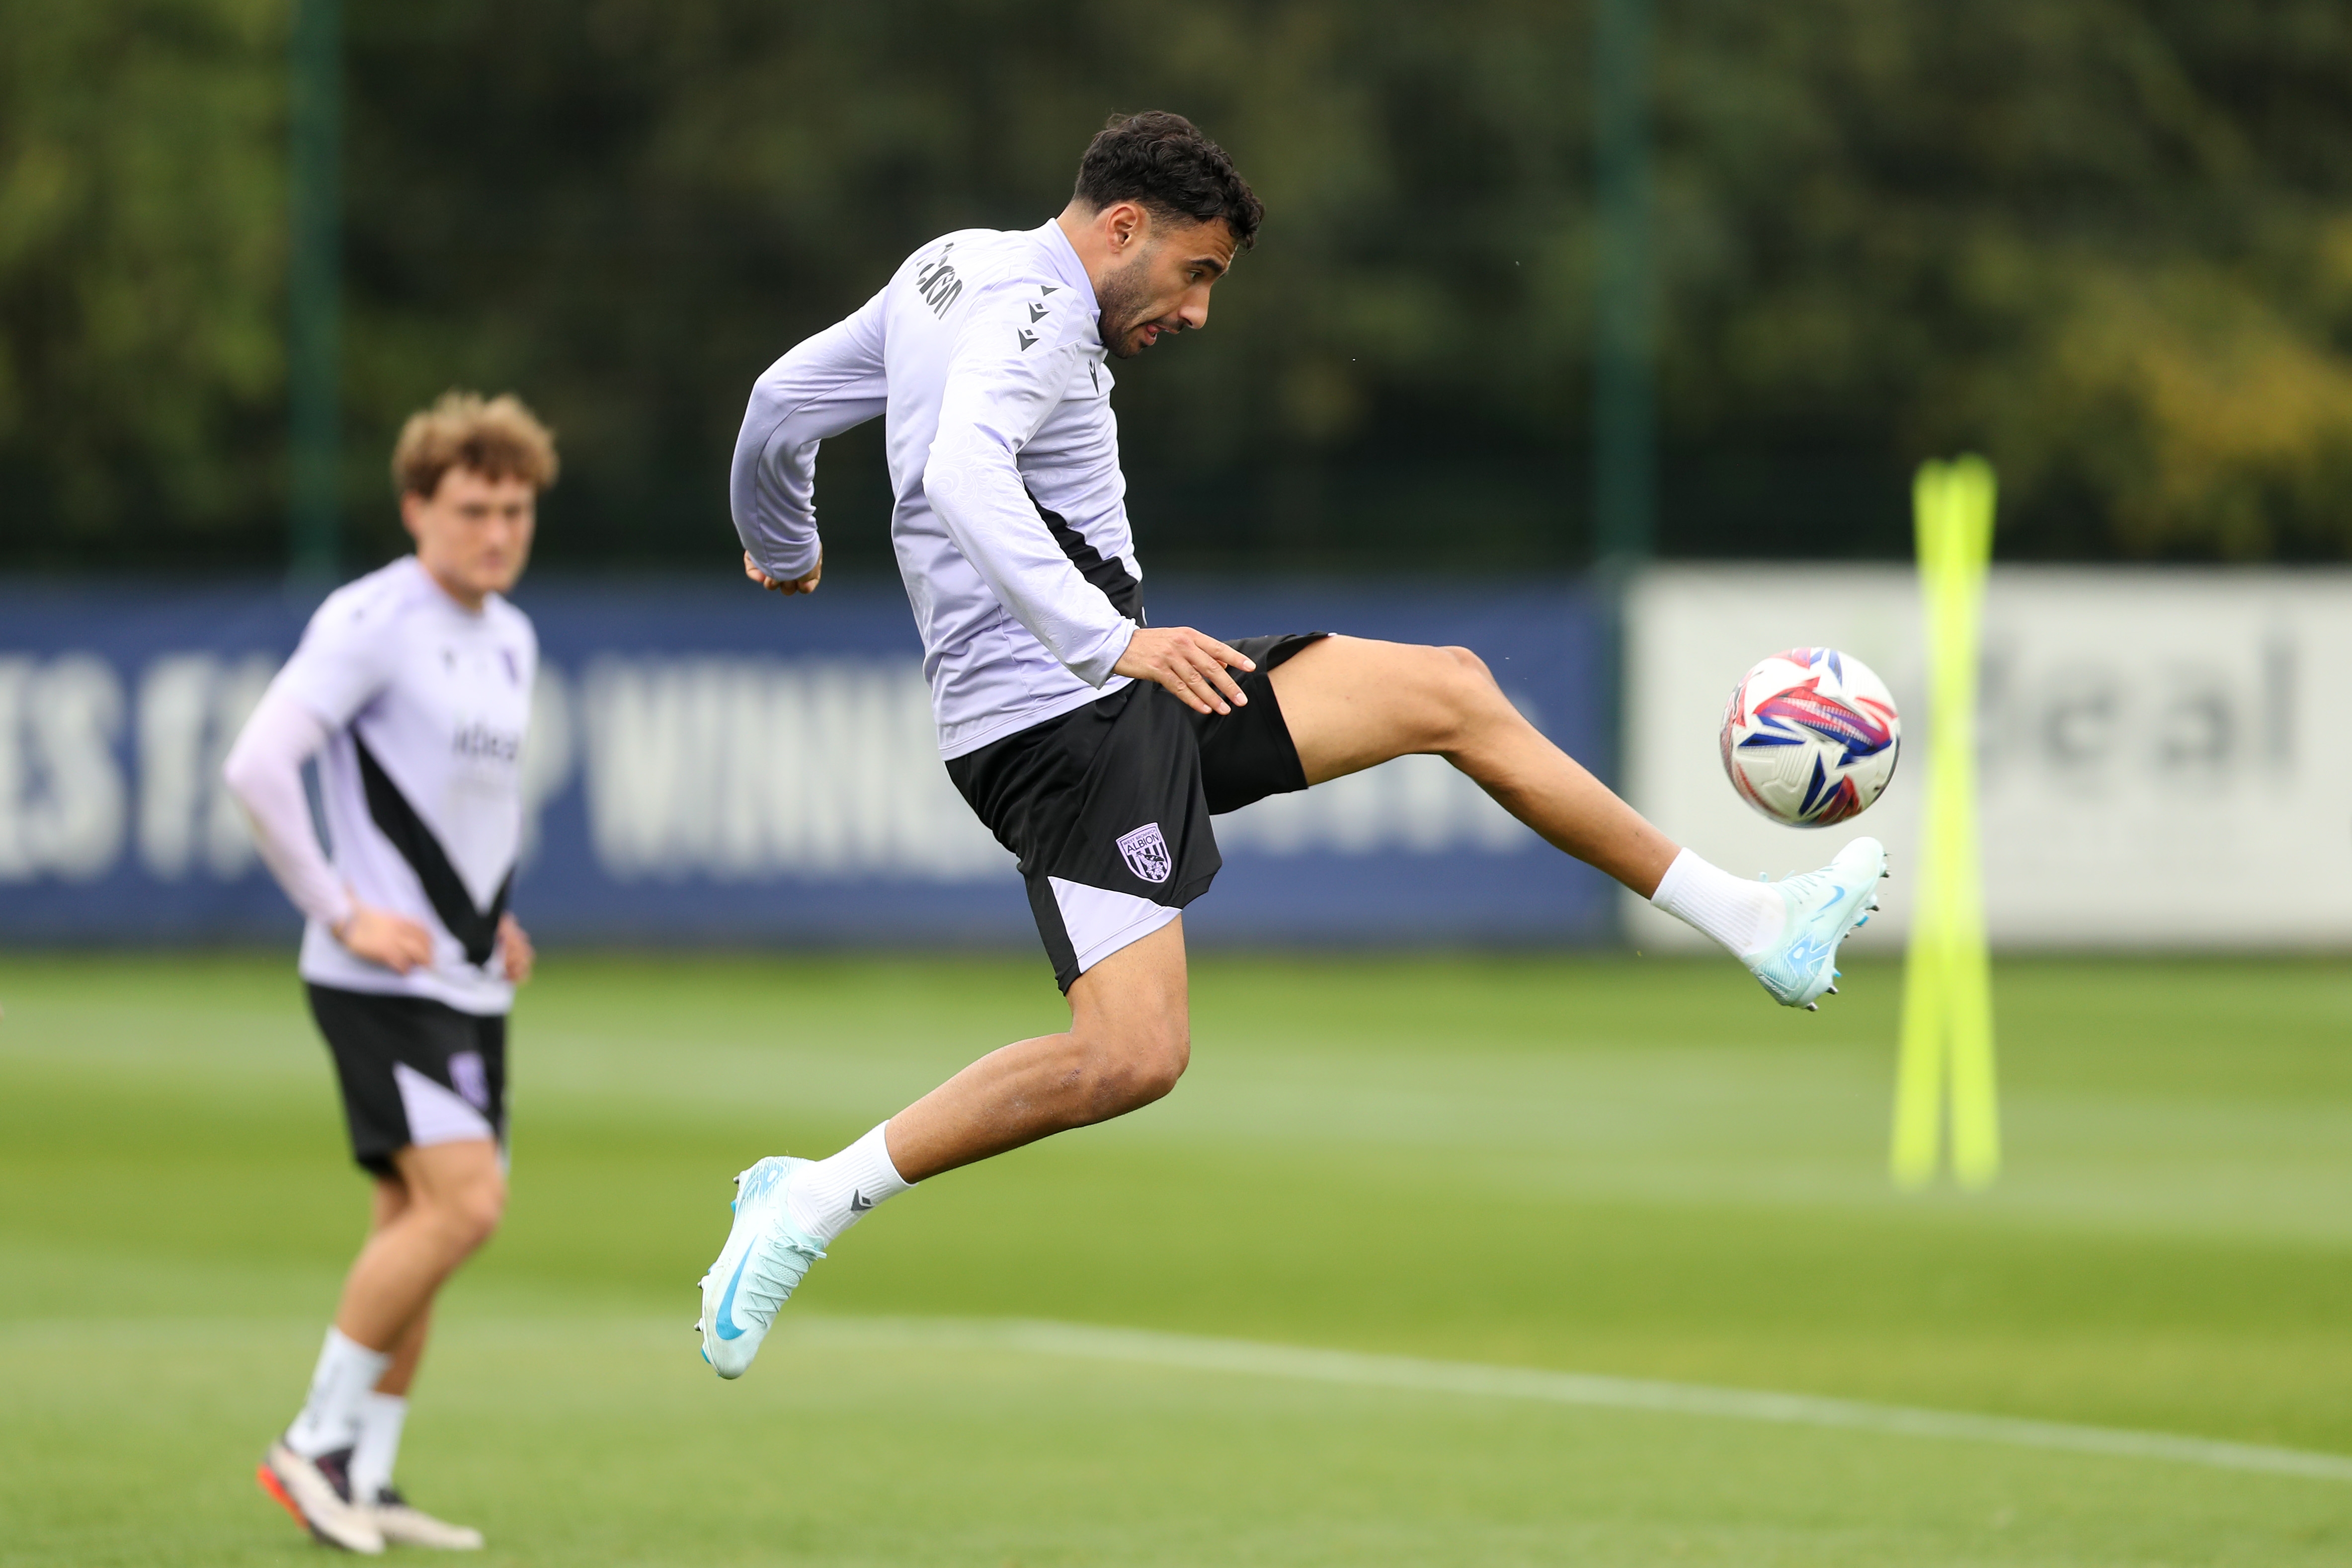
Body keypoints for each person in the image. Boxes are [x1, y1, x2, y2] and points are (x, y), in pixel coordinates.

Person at [704, 111, 1884, 1379]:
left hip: (1118, 698)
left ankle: (1758, 924)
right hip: (1059, 726)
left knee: (1452, 692)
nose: (1200, 312)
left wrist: (780, 538)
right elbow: (959, 475)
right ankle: (811, 1202)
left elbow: (782, 404)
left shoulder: (949, 265)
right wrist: (1111, 643)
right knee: (1134, 1057)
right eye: (1197, 272)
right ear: (1120, 228)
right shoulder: (1038, 316)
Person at [222, 391, 557, 1553]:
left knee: (413, 1219)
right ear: (417, 508)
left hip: (466, 979)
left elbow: (471, 808)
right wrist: (343, 912)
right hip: (379, 983)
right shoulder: (371, 619)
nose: (497, 532)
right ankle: (310, 1444)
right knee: (467, 1205)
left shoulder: (509, 634)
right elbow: (259, 767)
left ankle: (361, 1477)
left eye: (514, 509)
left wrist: (495, 918)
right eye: (472, 509)